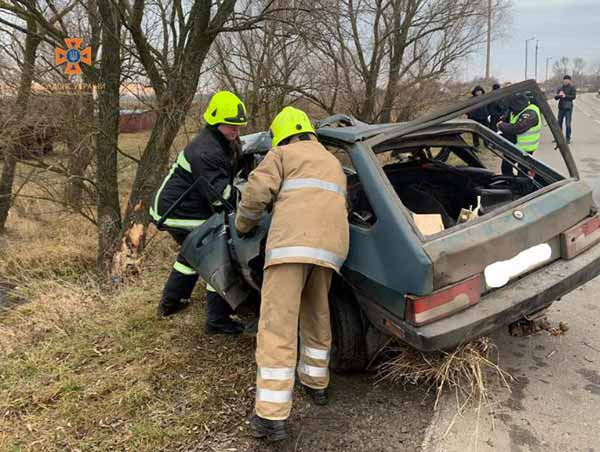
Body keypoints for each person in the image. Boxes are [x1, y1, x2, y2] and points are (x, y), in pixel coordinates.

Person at [235, 106, 349, 441]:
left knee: (277, 326)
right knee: (317, 314)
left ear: (280, 135)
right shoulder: (332, 161)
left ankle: (271, 417)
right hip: (330, 251)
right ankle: (317, 384)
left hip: (290, 249)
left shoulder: (281, 154)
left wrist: (243, 225)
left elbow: (256, 194)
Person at [149, 90, 248, 335]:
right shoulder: (206, 151)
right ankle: (217, 319)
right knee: (218, 256)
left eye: (238, 127)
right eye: (231, 127)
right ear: (215, 122)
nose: (236, 132)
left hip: (182, 206)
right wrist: (250, 196)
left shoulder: (219, 141)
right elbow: (220, 198)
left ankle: (170, 303)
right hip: (177, 210)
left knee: (191, 257)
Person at [496, 93, 541, 176]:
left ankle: (522, 187)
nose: (511, 109)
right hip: (514, 146)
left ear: (517, 104)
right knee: (506, 167)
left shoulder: (531, 113)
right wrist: (502, 119)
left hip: (525, 149)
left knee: (523, 172)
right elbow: (507, 116)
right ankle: (511, 183)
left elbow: (518, 128)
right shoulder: (517, 110)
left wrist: (501, 125)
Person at [555, 75, 576, 144]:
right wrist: (559, 95)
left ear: (569, 81)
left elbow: (573, 96)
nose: (566, 81)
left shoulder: (572, 87)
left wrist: (565, 96)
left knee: (568, 124)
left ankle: (568, 138)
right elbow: (556, 98)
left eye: (567, 80)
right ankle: (558, 138)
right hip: (561, 107)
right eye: (565, 80)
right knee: (559, 123)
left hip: (568, 108)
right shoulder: (560, 88)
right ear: (563, 80)